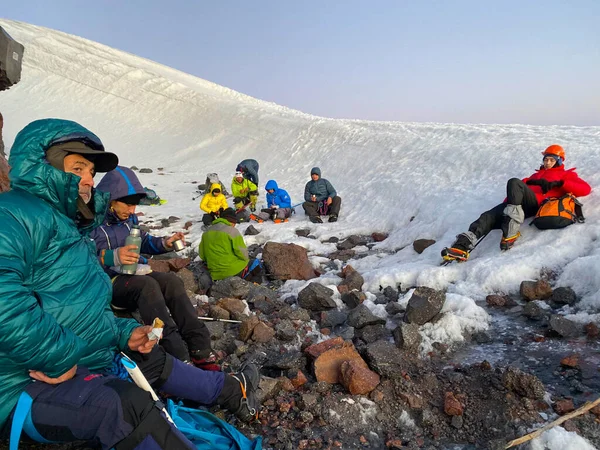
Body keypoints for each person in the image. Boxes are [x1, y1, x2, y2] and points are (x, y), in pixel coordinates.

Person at [0, 119, 259, 449]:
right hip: (22, 379)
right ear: (43, 165)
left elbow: (76, 310)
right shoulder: (12, 215)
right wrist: (58, 357)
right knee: (124, 407)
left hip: (76, 355)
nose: (87, 181)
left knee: (150, 358)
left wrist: (123, 333)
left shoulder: (69, 224)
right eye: (78, 167)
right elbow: (4, 301)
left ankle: (231, 390)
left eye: (91, 172)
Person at [91, 166, 217, 368]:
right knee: (147, 286)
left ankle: (200, 348)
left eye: (134, 205)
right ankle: (176, 355)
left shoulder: (129, 219)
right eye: (127, 204)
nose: (132, 210)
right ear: (110, 199)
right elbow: (78, 257)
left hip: (132, 273)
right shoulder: (91, 222)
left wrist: (164, 243)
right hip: (106, 282)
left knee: (171, 282)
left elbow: (143, 240)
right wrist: (111, 257)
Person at [442, 144, 592, 261]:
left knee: (514, 182)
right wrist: (507, 203)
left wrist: (560, 183)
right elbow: (513, 192)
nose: (547, 162)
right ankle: (461, 247)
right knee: (487, 216)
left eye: (551, 160)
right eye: (546, 159)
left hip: (535, 205)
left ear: (559, 161)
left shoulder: (566, 175)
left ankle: (511, 228)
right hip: (517, 207)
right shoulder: (535, 175)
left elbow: (585, 189)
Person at [199, 208, 264, 283]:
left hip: (215, 274)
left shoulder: (207, 232)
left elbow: (202, 255)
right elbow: (243, 254)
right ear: (232, 221)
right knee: (256, 263)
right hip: (233, 271)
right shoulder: (231, 231)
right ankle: (254, 287)